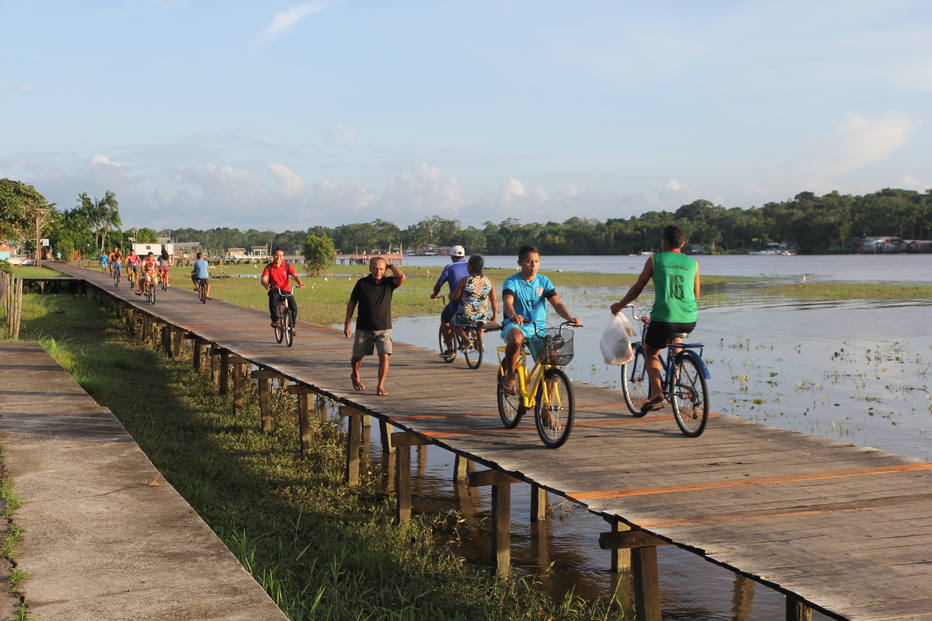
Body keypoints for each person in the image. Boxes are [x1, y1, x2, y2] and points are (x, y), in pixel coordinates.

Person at [610, 225, 700, 414]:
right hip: (689, 318)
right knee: (676, 346)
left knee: (651, 352)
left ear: (663, 242)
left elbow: (637, 288)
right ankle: (675, 381)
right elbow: (696, 295)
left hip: (664, 318)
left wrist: (619, 305)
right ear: (682, 243)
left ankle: (657, 393)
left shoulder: (655, 259)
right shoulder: (693, 264)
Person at [500, 245, 582, 394]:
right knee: (517, 338)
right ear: (520, 263)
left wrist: (570, 317)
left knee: (553, 361)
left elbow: (557, 303)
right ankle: (510, 375)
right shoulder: (511, 281)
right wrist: (513, 314)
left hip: (538, 329)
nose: (533, 265)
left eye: (536, 261)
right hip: (516, 325)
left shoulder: (544, 281)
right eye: (528, 262)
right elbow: (507, 302)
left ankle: (546, 408)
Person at [344, 257, 407, 396]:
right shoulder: (362, 283)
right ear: (370, 269)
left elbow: (402, 277)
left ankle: (380, 386)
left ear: (385, 270)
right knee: (357, 357)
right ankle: (355, 374)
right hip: (364, 327)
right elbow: (352, 303)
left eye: (381, 268)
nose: (378, 271)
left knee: (384, 356)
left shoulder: (389, 283)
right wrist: (347, 323)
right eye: (375, 268)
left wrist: (390, 264)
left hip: (384, 328)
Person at [430, 245, 469, 361]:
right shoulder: (471, 266)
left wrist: (435, 293)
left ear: (451, 256)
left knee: (445, 320)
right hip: (473, 303)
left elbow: (438, 284)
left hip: (456, 302)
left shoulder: (449, 267)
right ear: (464, 255)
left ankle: (450, 350)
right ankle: (470, 336)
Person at [450, 254, 497, 349]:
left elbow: (455, 297)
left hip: (467, 315)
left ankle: (467, 340)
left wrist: (450, 295)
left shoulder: (464, 281)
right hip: (482, 315)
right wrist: (494, 316)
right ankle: (479, 341)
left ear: (470, 267)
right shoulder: (488, 281)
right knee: (480, 325)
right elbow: (494, 300)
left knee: (453, 323)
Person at [261, 248, 305, 332]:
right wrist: (266, 284)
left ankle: (292, 327)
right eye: (277, 255)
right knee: (273, 301)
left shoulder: (287, 266)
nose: (279, 257)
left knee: (294, 308)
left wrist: (300, 283)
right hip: (274, 289)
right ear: (273, 256)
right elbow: (264, 279)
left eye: (281, 255)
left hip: (286, 290)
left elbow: (295, 276)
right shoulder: (269, 267)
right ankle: (276, 320)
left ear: (283, 257)